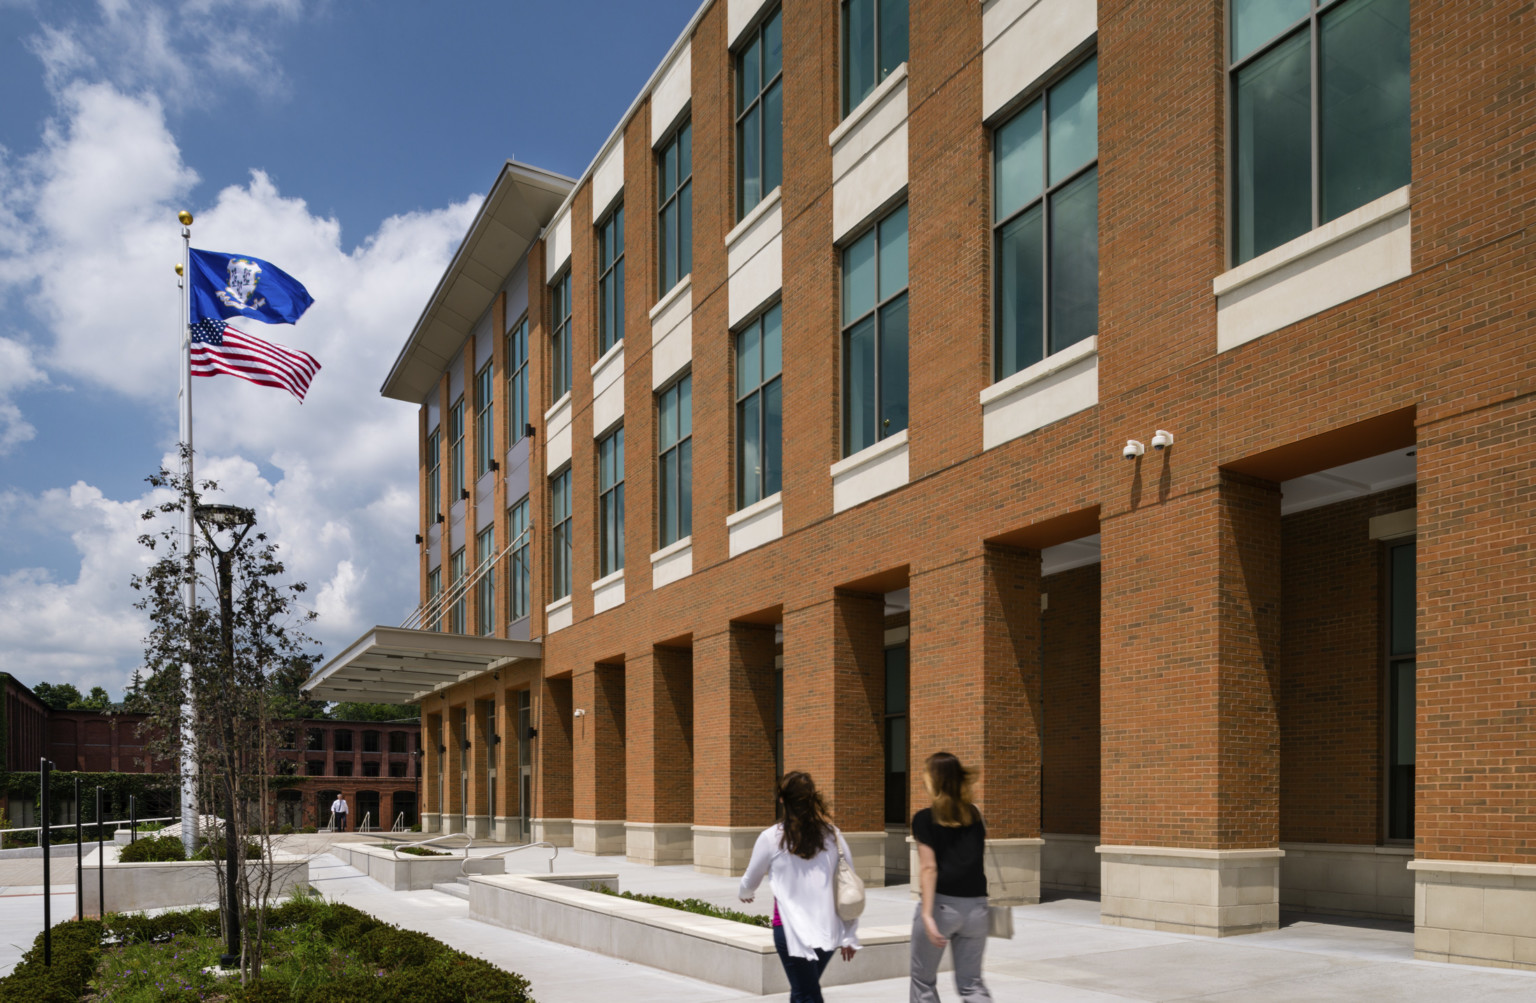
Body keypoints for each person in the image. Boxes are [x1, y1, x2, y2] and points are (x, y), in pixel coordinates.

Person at [739, 771, 859, 1002]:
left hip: (791, 928)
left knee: (806, 992)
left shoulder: (770, 837)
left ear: (782, 799)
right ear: (812, 798)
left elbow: (750, 879)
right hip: (827, 927)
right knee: (804, 989)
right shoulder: (833, 835)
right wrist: (849, 933)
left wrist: (745, 892)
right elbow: (849, 884)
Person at [911, 752, 992, 1003]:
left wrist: (926, 914)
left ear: (932, 780)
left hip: (942, 906)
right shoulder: (976, 815)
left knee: (923, 981)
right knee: (972, 983)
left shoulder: (924, 818)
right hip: (977, 907)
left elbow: (929, 868)